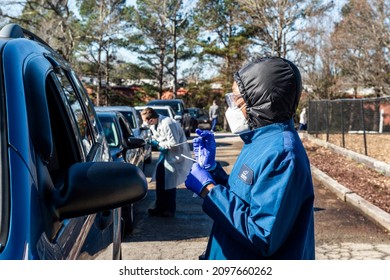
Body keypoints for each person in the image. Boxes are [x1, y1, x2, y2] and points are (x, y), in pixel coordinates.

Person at [185, 57, 315, 259]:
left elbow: (262, 235)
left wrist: (208, 190)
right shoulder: (260, 140)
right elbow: (243, 198)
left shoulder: (282, 153)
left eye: (237, 100)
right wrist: (212, 171)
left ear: (261, 102)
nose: (232, 107)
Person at [141, 107, 192, 217]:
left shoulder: (167, 123)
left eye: (145, 120)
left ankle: (169, 209)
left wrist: (158, 145)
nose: (144, 122)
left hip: (174, 155)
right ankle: (160, 206)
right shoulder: (155, 124)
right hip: (165, 154)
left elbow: (174, 143)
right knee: (160, 179)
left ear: (151, 119)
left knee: (169, 182)